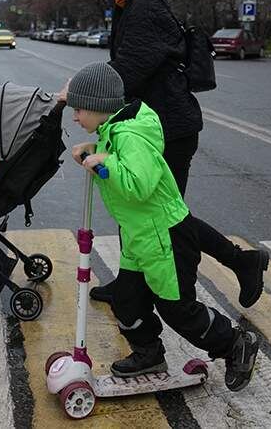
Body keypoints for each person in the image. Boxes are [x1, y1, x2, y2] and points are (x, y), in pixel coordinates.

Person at [88, 0, 268, 308]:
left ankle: (241, 261)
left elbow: (130, 69)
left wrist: (83, 93)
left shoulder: (146, 6)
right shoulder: (133, 4)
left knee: (166, 218)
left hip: (168, 130)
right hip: (152, 127)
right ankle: (129, 284)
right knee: (140, 210)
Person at [67, 61, 259, 390]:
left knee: (178, 310)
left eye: (79, 109)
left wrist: (105, 161)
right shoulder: (113, 130)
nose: (74, 117)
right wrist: (97, 150)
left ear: (100, 107)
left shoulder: (130, 135)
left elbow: (138, 185)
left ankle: (235, 343)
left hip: (165, 237)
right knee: (126, 301)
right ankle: (148, 353)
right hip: (141, 238)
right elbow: (122, 161)